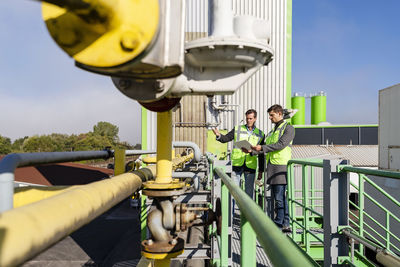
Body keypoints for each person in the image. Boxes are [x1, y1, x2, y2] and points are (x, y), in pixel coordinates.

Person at [245, 104, 295, 232]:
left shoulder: (288, 128)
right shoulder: (272, 131)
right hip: (272, 166)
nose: (270, 118)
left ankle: (280, 223)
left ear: (279, 114)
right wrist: (251, 152)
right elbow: (266, 147)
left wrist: (261, 148)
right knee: (278, 197)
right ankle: (285, 223)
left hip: (281, 166)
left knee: (279, 197)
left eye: (272, 115)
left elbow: (281, 144)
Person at [212, 109, 265, 200]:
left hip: (250, 165)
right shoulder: (237, 129)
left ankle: (246, 214)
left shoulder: (261, 134)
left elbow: (261, 153)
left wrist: (261, 171)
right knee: (234, 192)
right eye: (247, 118)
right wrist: (218, 135)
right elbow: (226, 138)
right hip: (236, 164)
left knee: (249, 194)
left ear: (255, 119)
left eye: (250, 119)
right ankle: (231, 214)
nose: (248, 121)